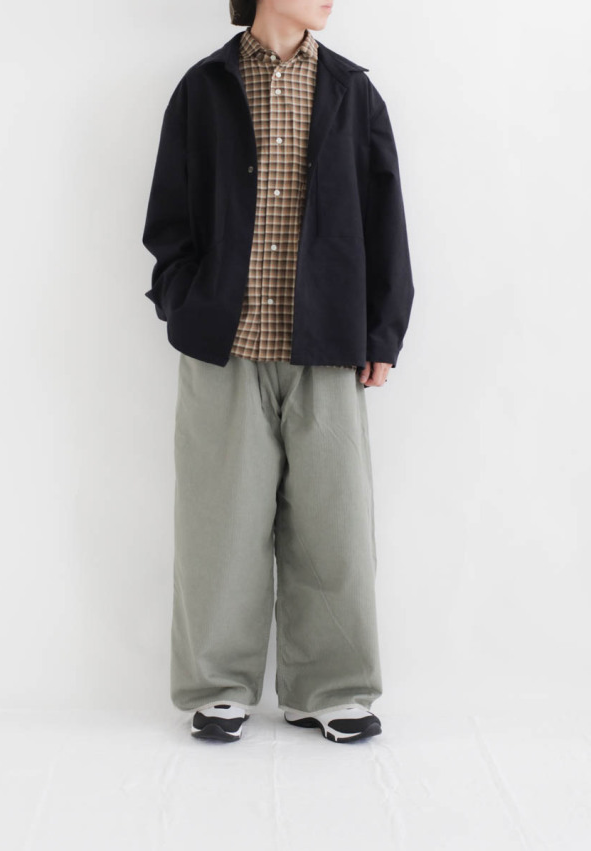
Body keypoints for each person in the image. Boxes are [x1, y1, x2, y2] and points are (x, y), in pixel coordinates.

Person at [142, 0, 414, 743]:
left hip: (327, 343)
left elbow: (385, 217)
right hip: (223, 346)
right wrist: (182, 301)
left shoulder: (352, 91)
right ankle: (217, 686)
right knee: (218, 524)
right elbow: (168, 216)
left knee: (335, 523)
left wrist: (382, 331)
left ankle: (331, 688)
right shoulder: (204, 88)